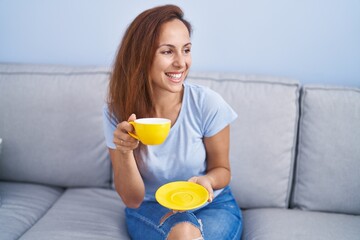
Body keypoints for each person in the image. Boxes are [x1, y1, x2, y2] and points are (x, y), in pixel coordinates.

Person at [103, 4, 242, 240]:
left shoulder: (207, 103)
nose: (181, 63)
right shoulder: (118, 112)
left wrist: (207, 180)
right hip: (151, 208)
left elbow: (223, 170)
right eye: (168, 52)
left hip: (212, 206)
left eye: (186, 50)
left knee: (187, 234)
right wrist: (125, 152)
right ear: (141, 56)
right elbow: (132, 199)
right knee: (184, 233)